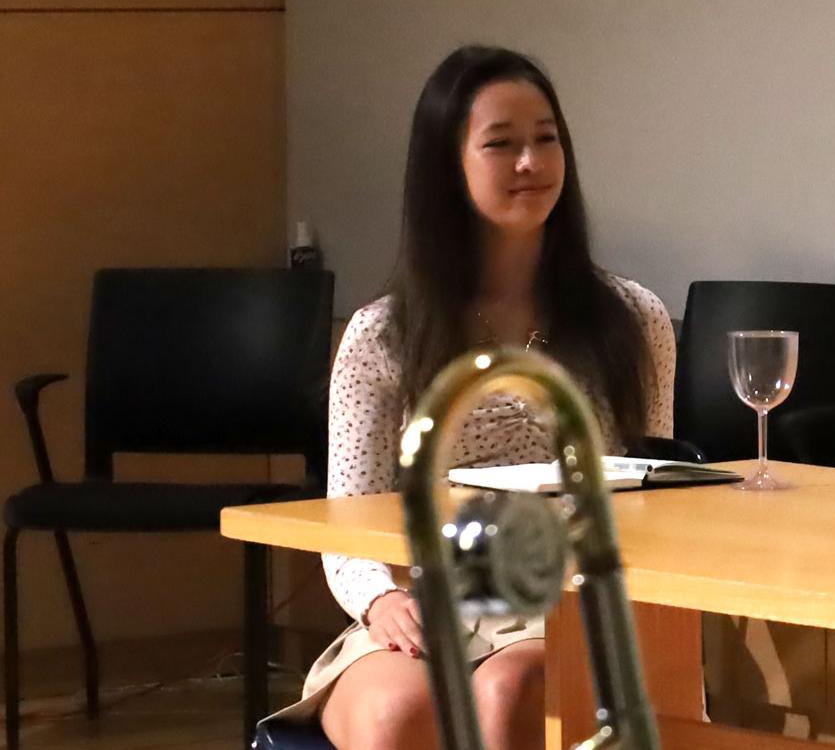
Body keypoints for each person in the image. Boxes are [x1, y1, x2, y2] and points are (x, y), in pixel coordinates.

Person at [270, 46, 677, 749]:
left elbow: (658, 495)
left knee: (508, 693)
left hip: (567, 601)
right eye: (501, 144)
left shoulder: (631, 317)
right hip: (422, 601)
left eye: (546, 139)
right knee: (399, 716)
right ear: (446, 167)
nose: (531, 163)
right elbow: (348, 514)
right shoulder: (385, 335)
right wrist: (380, 598)